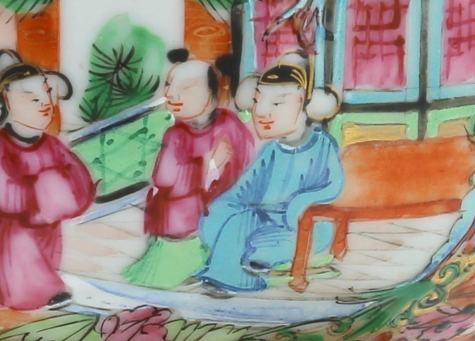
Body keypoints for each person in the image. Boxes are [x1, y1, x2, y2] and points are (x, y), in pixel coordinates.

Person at [197, 51, 344, 294]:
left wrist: (302, 202)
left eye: (277, 103)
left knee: (247, 235)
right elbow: (246, 188)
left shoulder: (322, 145)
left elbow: (334, 186)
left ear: (303, 102)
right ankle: (240, 262)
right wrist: (224, 206)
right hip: (264, 221)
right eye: (257, 101)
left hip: (305, 225)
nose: (261, 112)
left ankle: (233, 278)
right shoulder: (272, 150)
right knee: (227, 221)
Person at [122, 50, 255, 289]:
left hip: (222, 210)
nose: (171, 94)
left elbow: (245, 167)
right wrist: (209, 164)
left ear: (212, 94)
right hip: (181, 215)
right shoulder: (175, 135)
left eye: (186, 88)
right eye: (169, 85)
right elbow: (165, 178)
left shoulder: (230, 127)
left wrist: (216, 175)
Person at [0, 50, 96, 311]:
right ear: (7, 102)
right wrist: (43, 191)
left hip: (48, 229)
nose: (45, 104)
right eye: (32, 98)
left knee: (46, 261)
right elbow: (4, 195)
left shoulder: (52, 145)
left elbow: (78, 177)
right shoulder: (4, 147)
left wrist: (67, 193)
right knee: (22, 267)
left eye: (46, 93)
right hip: (18, 231)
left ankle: (46, 291)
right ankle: (31, 295)